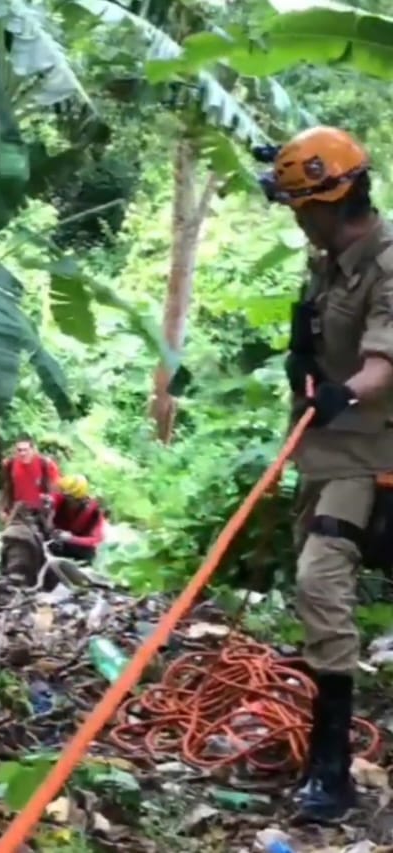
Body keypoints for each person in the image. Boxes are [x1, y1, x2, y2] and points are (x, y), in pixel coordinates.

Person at [255, 126, 393, 824]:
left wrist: (347, 391)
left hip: (373, 450)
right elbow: (323, 341)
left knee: (321, 577)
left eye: (301, 204)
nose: (296, 215)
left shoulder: (390, 261)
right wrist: (304, 363)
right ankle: (327, 727)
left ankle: (332, 771)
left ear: (333, 201)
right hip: (323, 449)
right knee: (315, 586)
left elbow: (382, 364)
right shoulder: (328, 259)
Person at [47, 474, 105, 561]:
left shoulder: (94, 512)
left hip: (78, 551)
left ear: (78, 498)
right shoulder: (60, 500)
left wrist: (71, 539)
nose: (64, 498)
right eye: (64, 495)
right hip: (57, 543)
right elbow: (51, 499)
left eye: (68, 497)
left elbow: (97, 539)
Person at [0, 436, 60, 517]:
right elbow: (7, 487)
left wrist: (51, 508)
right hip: (18, 510)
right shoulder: (10, 464)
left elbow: (54, 489)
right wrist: (2, 509)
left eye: (25, 450)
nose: (22, 453)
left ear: (32, 450)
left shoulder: (45, 464)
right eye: (19, 450)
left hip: (39, 511)